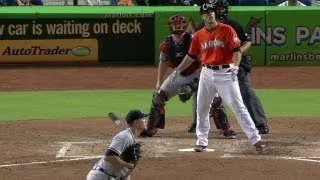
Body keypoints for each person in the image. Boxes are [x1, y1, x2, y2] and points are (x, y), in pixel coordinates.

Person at [174, 3, 265, 152]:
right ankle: (201, 141)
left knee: (238, 107)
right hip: (206, 73)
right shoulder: (199, 34)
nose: (210, 14)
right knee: (202, 108)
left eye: (211, 12)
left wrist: (235, 67)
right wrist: (177, 70)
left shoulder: (227, 30)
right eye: (206, 13)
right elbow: (191, 56)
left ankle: (255, 139)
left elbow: (237, 51)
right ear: (202, 16)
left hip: (226, 73)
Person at [189, 0, 269, 135]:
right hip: (210, 67)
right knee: (200, 93)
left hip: (234, 66)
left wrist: (237, 52)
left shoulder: (232, 25)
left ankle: (260, 123)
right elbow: (196, 51)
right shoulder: (201, 28)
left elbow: (247, 41)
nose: (218, 11)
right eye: (216, 8)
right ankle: (197, 122)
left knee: (245, 91)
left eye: (221, 8)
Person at [140, 14, 202, 137]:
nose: (177, 26)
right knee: (158, 96)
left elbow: (204, 61)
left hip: (199, 73)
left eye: (180, 24)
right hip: (178, 74)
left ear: (185, 25)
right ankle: (151, 127)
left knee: (215, 98)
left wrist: (196, 82)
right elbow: (163, 62)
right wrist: (159, 81)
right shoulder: (166, 44)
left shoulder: (195, 39)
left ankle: (225, 128)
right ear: (170, 26)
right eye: (174, 24)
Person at [86, 109, 147, 180]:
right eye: (143, 118)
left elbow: (125, 172)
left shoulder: (130, 137)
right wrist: (128, 165)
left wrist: (128, 167)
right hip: (101, 176)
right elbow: (108, 157)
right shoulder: (124, 137)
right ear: (136, 122)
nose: (146, 120)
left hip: (109, 176)